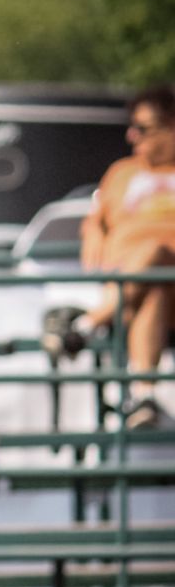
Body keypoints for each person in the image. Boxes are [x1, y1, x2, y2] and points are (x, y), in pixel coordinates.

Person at [42, 84, 175, 429]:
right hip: (135, 287)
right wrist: (95, 231)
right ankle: (144, 393)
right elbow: (95, 222)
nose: (132, 136)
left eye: (143, 128)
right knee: (154, 286)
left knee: (157, 255)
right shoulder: (121, 173)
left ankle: (83, 327)